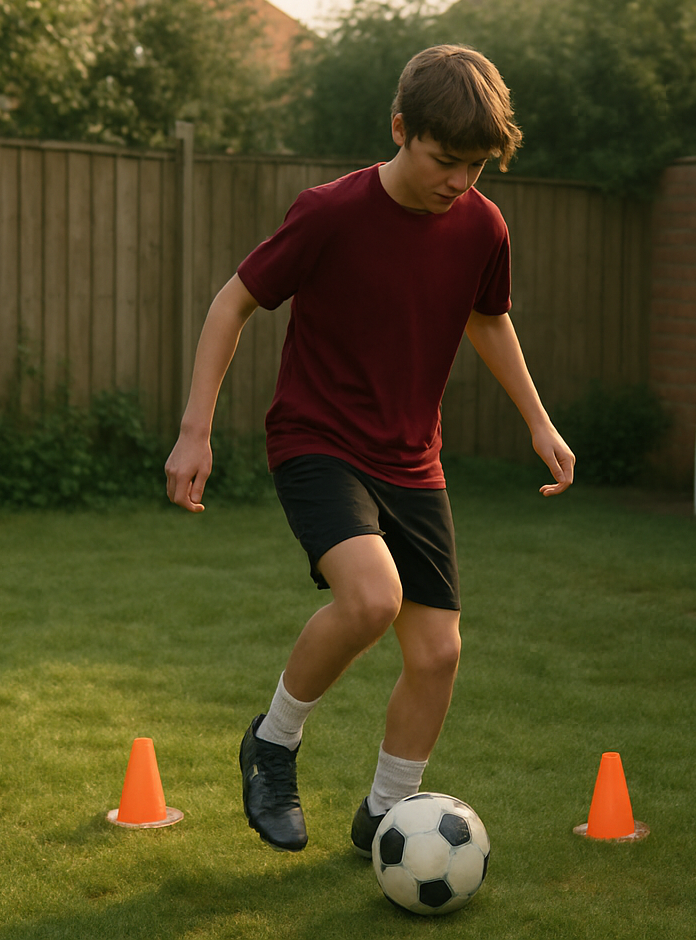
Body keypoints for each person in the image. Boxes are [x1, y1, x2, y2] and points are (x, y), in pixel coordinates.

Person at [164, 44, 575, 852]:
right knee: (371, 598)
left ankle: (388, 812)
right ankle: (272, 744)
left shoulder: (481, 226)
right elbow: (233, 301)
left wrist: (537, 419)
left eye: (478, 166)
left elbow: (486, 316)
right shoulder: (330, 212)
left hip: (413, 457)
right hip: (317, 439)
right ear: (400, 129)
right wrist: (194, 429)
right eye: (445, 160)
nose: (460, 181)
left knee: (437, 650)